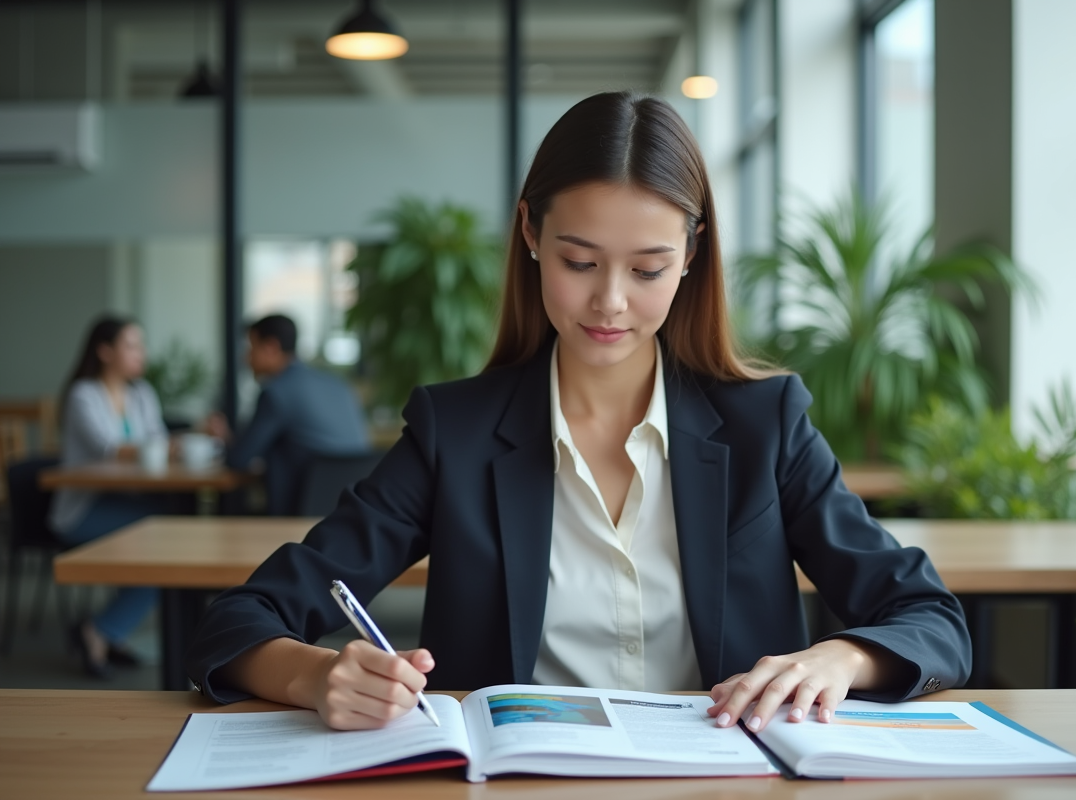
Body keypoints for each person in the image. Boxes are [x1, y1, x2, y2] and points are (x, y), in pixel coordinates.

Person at [187, 92, 970, 733]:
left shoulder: (767, 425)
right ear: (530, 233)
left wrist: (839, 659)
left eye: (649, 268)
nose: (611, 302)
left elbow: (928, 617)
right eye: (579, 261)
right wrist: (319, 673)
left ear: (691, 255)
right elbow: (240, 620)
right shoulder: (453, 433)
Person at [51, 316, 175, 678]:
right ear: (105, 351)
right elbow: (108, 448)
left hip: (128, 504)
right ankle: (99, 631)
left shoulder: (141, 393)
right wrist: (170, 445)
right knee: (167, 550)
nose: (142, 353)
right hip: (84, 510)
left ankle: (110, 631)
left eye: (142, 345)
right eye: (132, 345)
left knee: (170, 538)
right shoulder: (83, 394)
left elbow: (159, 440)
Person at [206, 314, 370, 515]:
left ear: (271, 347)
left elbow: (239, 459)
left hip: (297, 518)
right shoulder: (339, 385)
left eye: (251, 348)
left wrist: (223, 437)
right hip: (350, 510)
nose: (246, 357)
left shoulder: (277, 392)